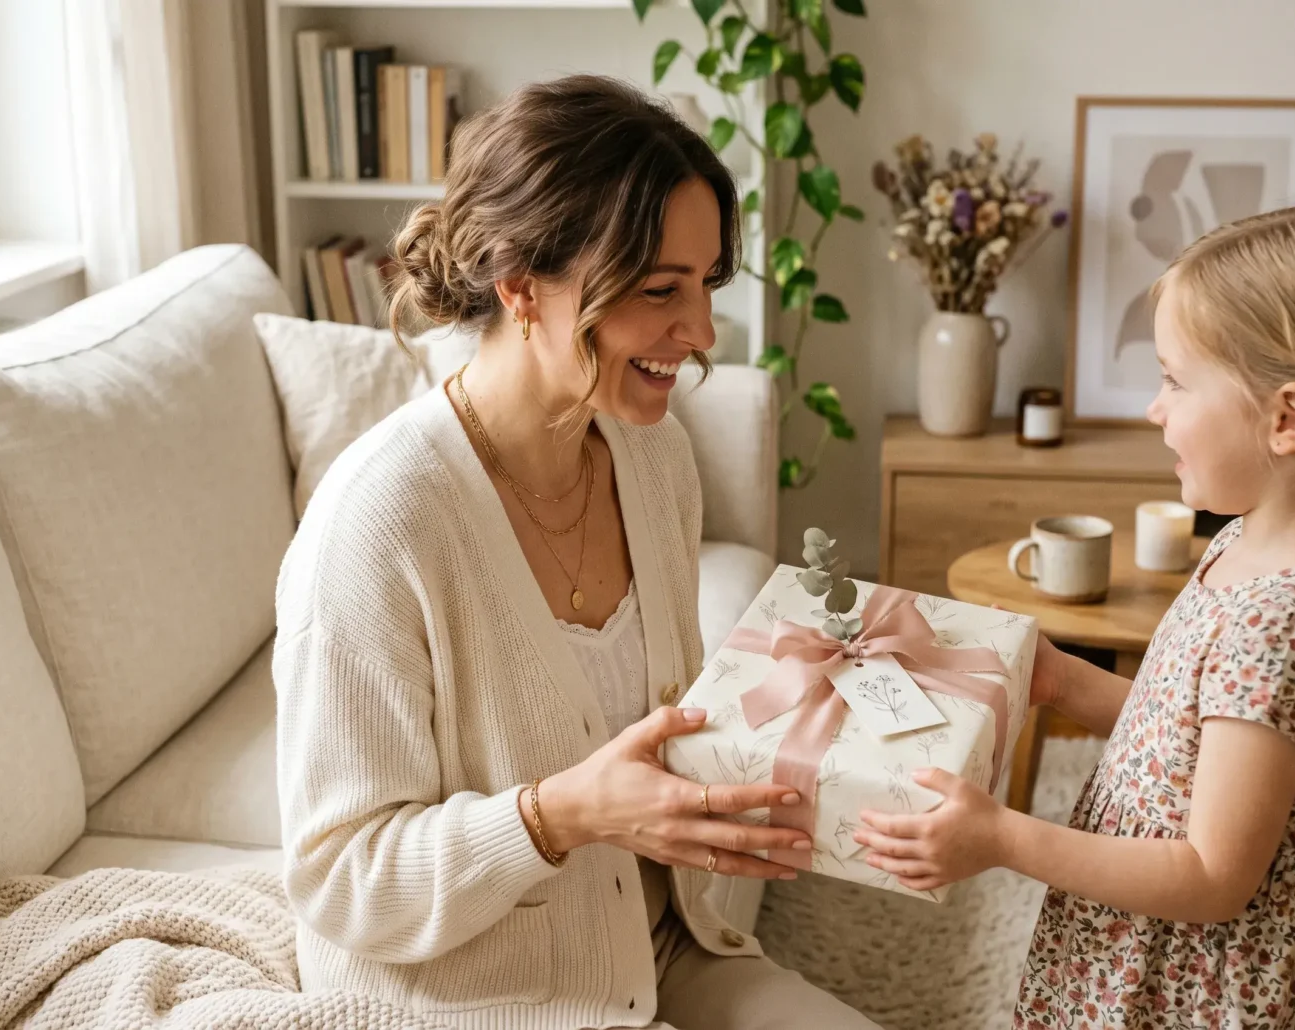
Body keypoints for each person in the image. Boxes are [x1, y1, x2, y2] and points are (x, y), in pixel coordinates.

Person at [272, 74, 879, 1030]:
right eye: (658, 290)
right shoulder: (378, 521)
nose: (702, 333)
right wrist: (558, 816)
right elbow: (342, 881)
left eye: (706, 283)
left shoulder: (653, 454)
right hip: (465, 995)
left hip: (648, 944)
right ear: (520, 287)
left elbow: (659, 743)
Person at [856, 201, 1295, 1028]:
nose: (1154, 409)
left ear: (1288, 419)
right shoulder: (1245, 539)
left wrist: (1005, 838)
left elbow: (1210, 875)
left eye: (1173, 380)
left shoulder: (1282, 625)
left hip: (1201, 984)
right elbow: (1189, 736)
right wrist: (1056, 676)